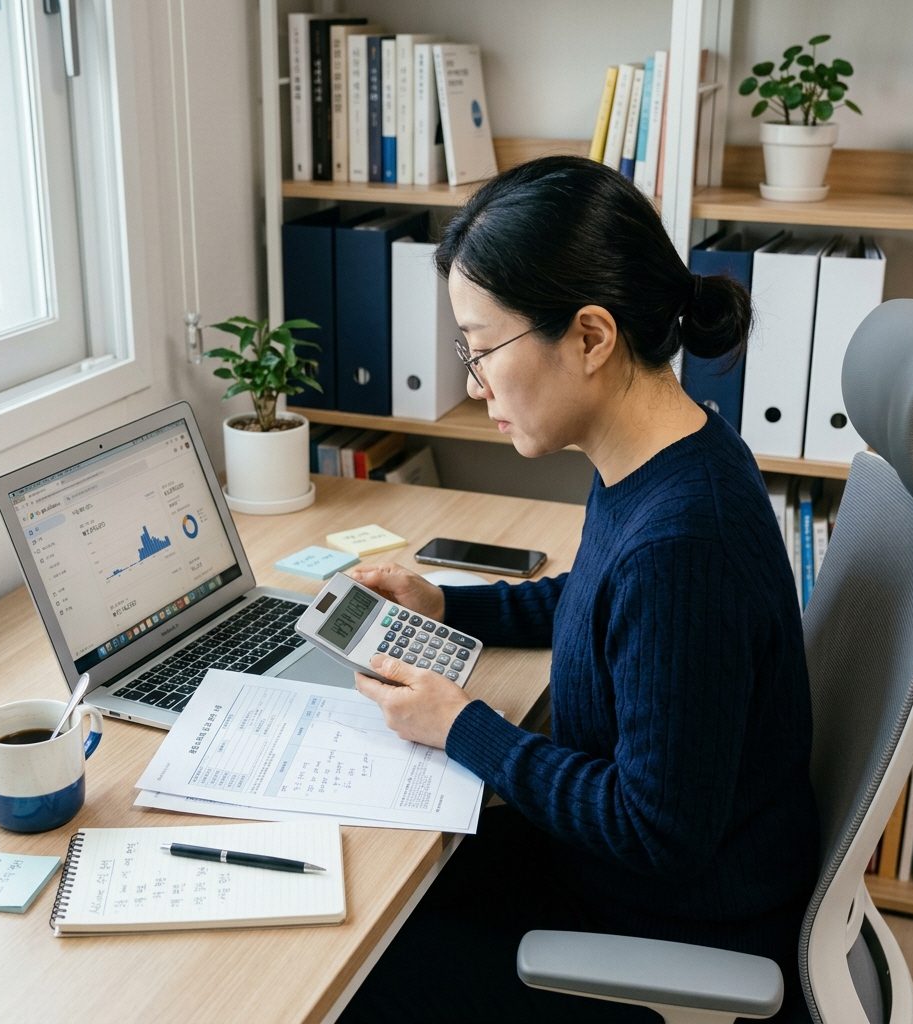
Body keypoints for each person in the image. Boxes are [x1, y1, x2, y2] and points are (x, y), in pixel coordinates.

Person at [339, 155, 818, 1023]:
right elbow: (600, 605)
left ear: (591, 338)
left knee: (351, 975)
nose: (473, 382)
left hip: (668, 928)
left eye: (484, 349)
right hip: (615, 883)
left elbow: (656, 830)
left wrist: (462, 727)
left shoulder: (685, 543)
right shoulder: (671, 453)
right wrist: (447, 605)